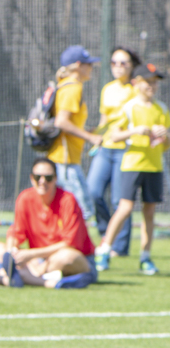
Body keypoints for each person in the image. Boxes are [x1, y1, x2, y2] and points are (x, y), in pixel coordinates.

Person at [94, 63, 167, 277]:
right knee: (124, 209)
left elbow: (166, 144)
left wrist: (165, 135)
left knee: (150, 213)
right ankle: (104, 249)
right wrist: (134, 131)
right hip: (132, 165)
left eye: (155, 82)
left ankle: (145, 257)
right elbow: (113, 135)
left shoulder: (161, 109)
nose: (152, 86)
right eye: (148, 82)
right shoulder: (129, 107)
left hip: (154, 166)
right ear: (136, 83)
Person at [0, 157, 96, 289]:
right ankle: (46, 280)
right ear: (32, 178)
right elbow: (16, 234)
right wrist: (11, 252)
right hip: (37, 261)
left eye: (48, 178)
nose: (42, 182)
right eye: (38, 177)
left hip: (72, 259)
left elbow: (70, 244)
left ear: (55, 179)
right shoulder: (25, 198)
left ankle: (24, 277)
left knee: (66, 257)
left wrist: (31, 255)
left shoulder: (67, 200)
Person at [86, 47, 139, 257]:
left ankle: (119, 247)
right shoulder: (107, 88)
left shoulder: (137, 89)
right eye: (114, 62)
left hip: (126, 149)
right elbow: (104, 120)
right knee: (93, 192)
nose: (118, 67)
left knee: (121, 201)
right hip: (106, 147)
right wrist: (95, 139)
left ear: (132, 65)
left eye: (123, 63)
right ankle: (106, 236)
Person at [48, 45, 103, 220]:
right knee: (81, 212)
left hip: (65, 159)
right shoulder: (73, 87)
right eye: (89, 64)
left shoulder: (65, 85)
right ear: (79, 65)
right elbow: (61, 121)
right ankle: (70, 247)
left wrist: (86, 132)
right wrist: (90, 137)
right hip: (65, 161)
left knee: (70, 212)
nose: (91, 68)